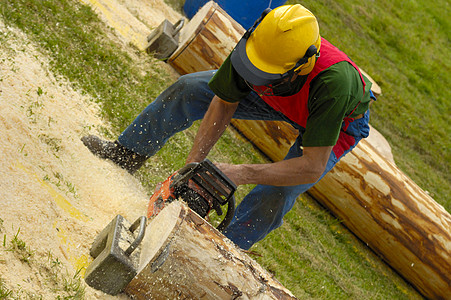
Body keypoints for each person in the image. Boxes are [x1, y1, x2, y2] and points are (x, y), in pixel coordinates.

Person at [82, 4, 375, 250]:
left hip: (334, 119)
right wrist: (193, 168)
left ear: (301, 66)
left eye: (265, 74)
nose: (256, 77)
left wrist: (239, 173)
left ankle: (223, 249)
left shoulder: (335, 83)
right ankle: (128, 152)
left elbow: (311, 165)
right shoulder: (262, 41)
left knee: (277, 194)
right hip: (279, 96)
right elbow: (223, 102)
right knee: (189, 88)